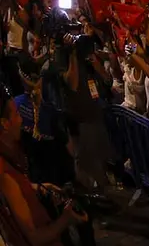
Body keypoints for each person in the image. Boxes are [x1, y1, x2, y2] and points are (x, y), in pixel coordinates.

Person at [0, 85, 90, 245]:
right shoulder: (5, 174)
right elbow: (34, 237)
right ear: (5, 124)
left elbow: (18, 191)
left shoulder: (12, 155)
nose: (20, 120)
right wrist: (66, 219)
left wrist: (38, 187)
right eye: (16, 114)